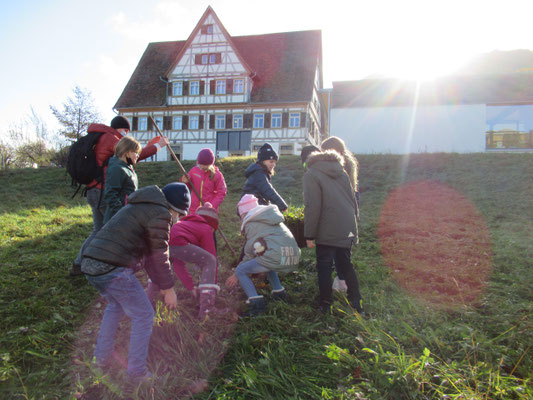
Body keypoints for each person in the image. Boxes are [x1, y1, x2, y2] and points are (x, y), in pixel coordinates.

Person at [80, 183, 188, 385]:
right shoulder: (161, 213)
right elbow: (160, 255)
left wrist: (161, 284)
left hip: (92, 264)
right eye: (179, 214)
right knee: (145, 314)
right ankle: (136, 373)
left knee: (115, 306)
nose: (178, 219)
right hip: (112, 268)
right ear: (173, 208)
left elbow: (148, 256)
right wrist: (169, 289)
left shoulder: (141, 206)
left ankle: (100, 360)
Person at [70, 115, 168, 276]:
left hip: (94, 189)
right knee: (105, 230)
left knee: (98, 229)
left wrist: (149, 145)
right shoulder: (110, 139)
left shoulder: (101, 137)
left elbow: (132, 155)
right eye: (125, 131)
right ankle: (93, 264)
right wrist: (158, 146)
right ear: (119, 128)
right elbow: (129, 154)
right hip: (101, 191)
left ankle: (82, 264)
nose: (127, 134)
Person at [301, 147, 363, 315]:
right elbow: (352, 199)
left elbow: (312, 206)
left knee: (324, 265)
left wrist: (309, 234)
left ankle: (325, 305)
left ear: (307, 162)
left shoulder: (311, 174)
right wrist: (354, 225)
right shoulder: (341, 171)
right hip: (347, 224)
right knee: (345, 263)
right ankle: (357, 303)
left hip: (327, 226)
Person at [226, 194, 300, 316]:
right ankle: (279, 294)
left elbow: (249, 252)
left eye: (241, 215)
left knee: (241, 270)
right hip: (293, 256)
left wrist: (236, 275)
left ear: (244, 213)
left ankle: (257, 306)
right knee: (266, 260)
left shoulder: (251, 223)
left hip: (277, 257)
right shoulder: (269, 217)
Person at [147, 203, 221, 318]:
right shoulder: (206, 228)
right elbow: (211, 257)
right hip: (177, 243)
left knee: (160, 268)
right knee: (210, 260)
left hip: (164, 242)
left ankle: (148, 305)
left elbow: (178, 264)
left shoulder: (185, 224)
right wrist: (213, 285)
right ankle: (207, 308)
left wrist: (190, 286)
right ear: (211, 224)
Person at [321, 136, 360, 294]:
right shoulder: (348, 165)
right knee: (343, 249)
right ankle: (342, 279)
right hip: (349, 211)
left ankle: (342, 282)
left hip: (340, 212)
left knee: (339, 249)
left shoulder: (338, 167)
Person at [102, 136, 141, 224]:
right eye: (135, 152)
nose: (138, 156)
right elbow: (110, 194)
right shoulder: (117, 169)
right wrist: (121, 213)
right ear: (127, 152)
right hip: (117, 219)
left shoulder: (128, 168)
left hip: (127, 216)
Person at [240, 143, 287, 212]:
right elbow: (268, 190)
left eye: (275, 162)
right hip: (250, 208)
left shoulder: (261, 173)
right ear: (262, 161)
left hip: (252, 207)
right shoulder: (258, 173)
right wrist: (282, 206)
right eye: (271, 162)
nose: (273, 164)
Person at [180, 148, 227, 214]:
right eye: (200, 164)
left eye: (204, 165)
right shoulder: (193, 171)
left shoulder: (217, 175)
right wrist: (185, 182)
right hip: (194, 210)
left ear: (210, 164)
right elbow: (188, 188)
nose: (201, 167)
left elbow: (221, 192)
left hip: (208, 212)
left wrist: (212, 206)